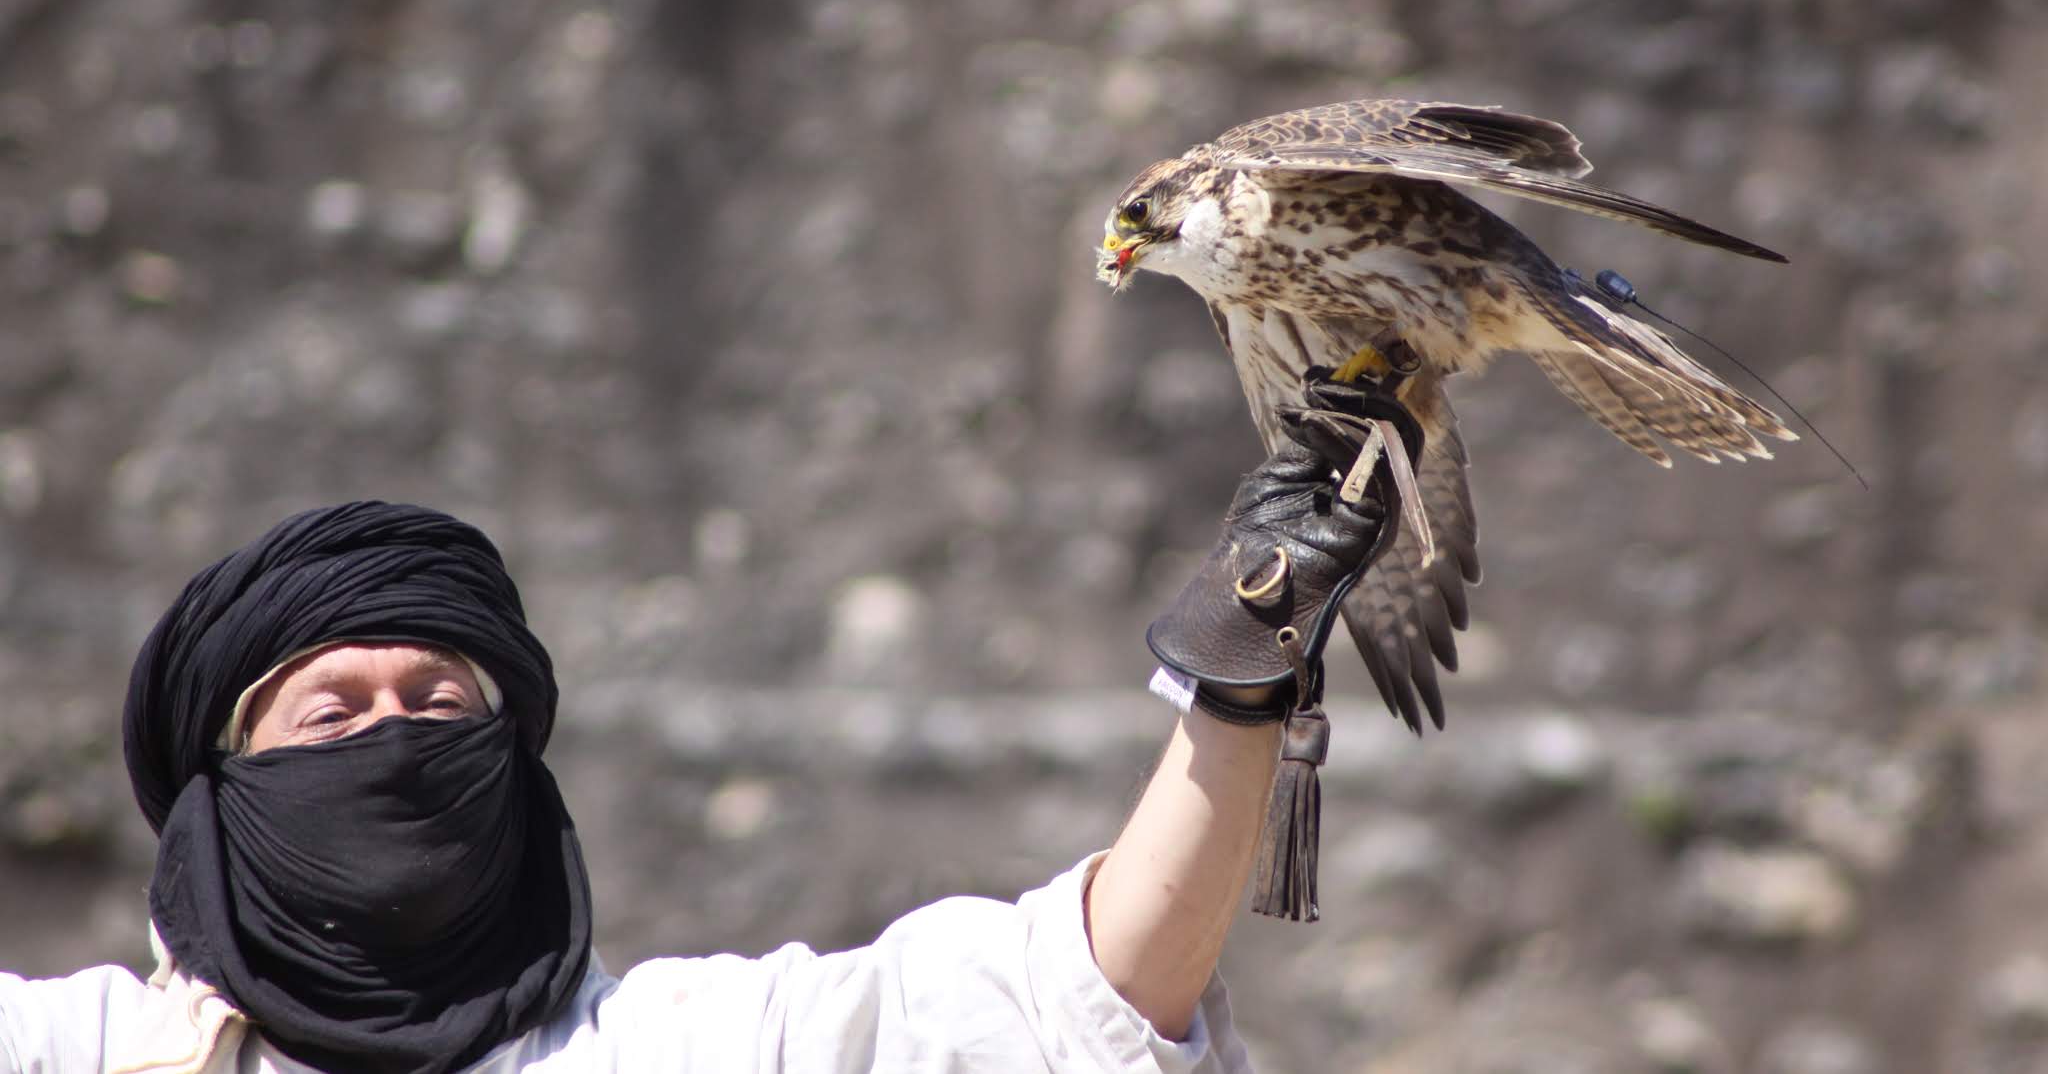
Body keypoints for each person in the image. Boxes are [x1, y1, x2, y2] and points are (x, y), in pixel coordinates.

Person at [0, 403, 1405, 1074]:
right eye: (332, 713)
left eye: (438, 706)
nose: (394, 738)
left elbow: (1081, 1002)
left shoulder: (682, 1048)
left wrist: (1241, 666)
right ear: (227, 790)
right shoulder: (81, 1050)